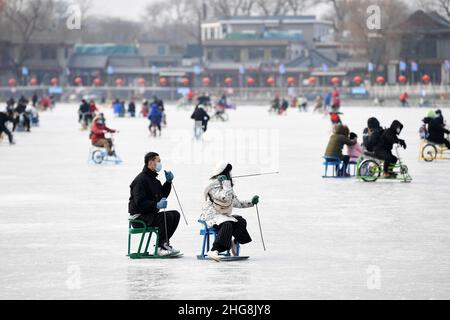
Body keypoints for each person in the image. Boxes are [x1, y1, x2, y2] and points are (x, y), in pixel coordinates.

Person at [200, 161, 260, 262]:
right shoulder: (212, 187)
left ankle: (234, 243)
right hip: (212, 217)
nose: (230, 175)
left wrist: (251, 202)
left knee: (240, 221)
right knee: (227, 224)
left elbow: (236, 203)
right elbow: (225, 197)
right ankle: (214, 250)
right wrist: (226, 184)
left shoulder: (227, 186)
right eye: (229, 172)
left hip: (222, 216)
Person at [128, 152, 181, 256]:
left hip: (149, 215)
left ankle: (164, 244)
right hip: (139, 218)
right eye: (158, 161)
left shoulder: (154, 180)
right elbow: (140, 203)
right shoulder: (140, 180)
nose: (160, 164)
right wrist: (156, 205)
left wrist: (168, 182)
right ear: (151, 162)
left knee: (175, 214)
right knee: (166, 217)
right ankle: (159, 247)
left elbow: (161, 195)